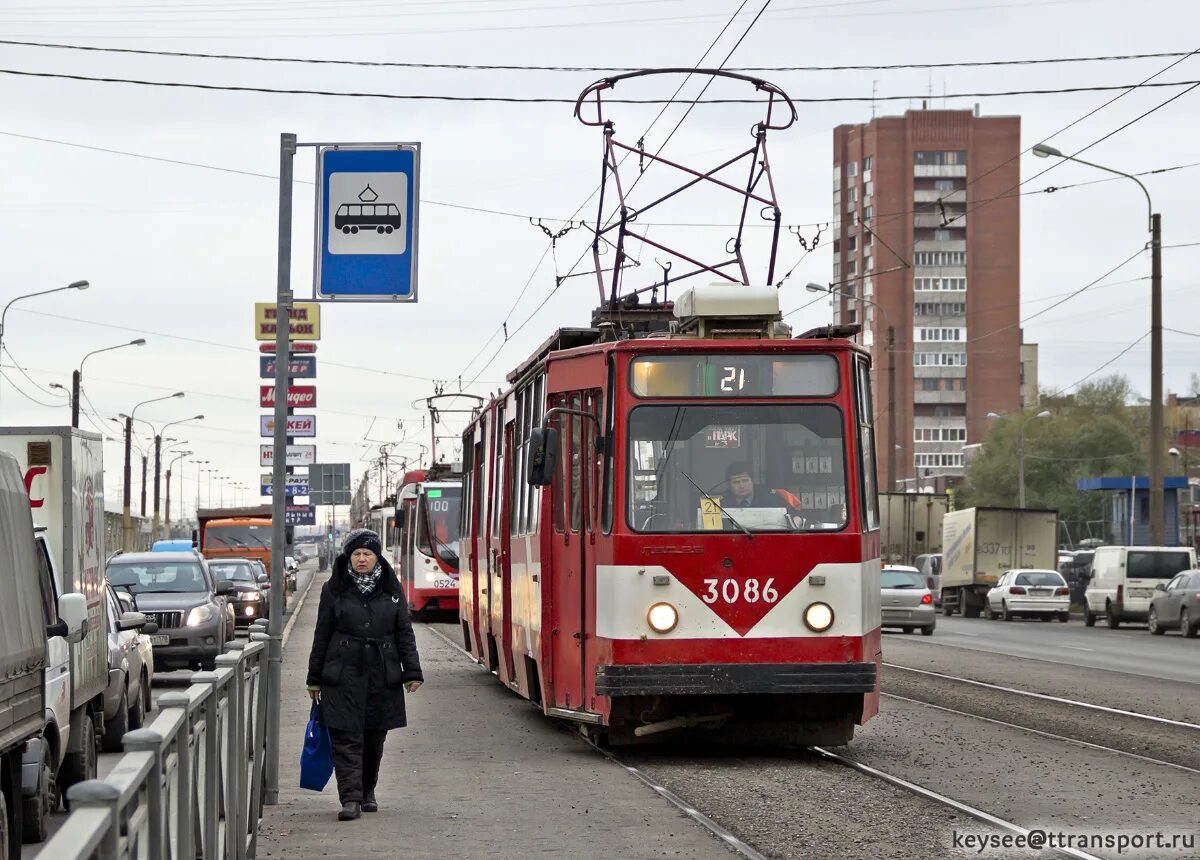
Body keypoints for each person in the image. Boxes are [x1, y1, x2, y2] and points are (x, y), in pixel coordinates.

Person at [306, 528, 423, 822]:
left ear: (376, 557)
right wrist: (314, 677)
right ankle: (350, 799)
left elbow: (404, 633)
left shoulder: (392, 588)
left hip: (381, 672)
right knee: (345, 738)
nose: (361, 559)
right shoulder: (333, 588)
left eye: (367, 554)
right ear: (349, 556)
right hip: (341, 671)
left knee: (374, 738)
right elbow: (321, 634)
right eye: (356, 553)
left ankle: (367, 790)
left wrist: (412, 672)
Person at [721, 461, 803, 511]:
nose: (742, 486)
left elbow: (793, 512)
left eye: (745, 481)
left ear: (752, 481)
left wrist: (796, 518)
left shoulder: (770, 497)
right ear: (729, 484)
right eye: (736, 482)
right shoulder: (720, 502)